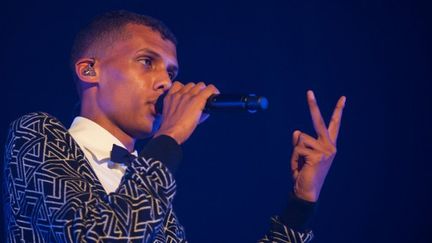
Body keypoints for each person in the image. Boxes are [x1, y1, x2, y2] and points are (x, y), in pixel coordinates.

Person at [3, 10, 346, 242]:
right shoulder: (36, 134)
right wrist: (169, 137)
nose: (165, 83)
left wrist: (301, 204)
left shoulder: (151, 187)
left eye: (171, 73)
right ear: (90, 70)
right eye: (147, 62)